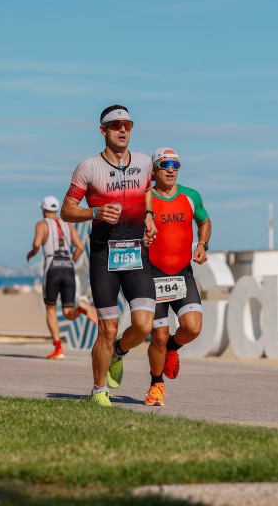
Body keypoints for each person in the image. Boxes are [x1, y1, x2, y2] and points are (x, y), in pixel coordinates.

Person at [61, 104, 157, 406]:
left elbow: (147, 190)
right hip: (104, 254)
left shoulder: (143, 162)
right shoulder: (88, 167)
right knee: (107, 327)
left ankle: (118, 352)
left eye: (127, 124)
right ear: (103, 130)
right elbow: (66, 211)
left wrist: (149, 216)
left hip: (137, 253)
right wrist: (94, 212)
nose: (122, 129)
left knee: (143, 325)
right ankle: (99, 390)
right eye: (115, 125)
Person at [144, 148, 211, 406]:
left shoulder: (190, 196)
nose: (171, 170)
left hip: (182, 273)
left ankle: (173, 347)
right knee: (158, 336)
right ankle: (156, 385)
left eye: (175, 165)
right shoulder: (145, 198)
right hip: (152, 274)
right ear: (154, 170)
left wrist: (202, 244)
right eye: (165, 165)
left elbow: (204, 221)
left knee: (193, 328)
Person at [27, 195, 97, 360]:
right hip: (68, 268)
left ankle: (58, 349)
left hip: (52, 268)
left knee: (51, 309)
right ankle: (81, 309)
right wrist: (71, 261)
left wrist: (32, 253)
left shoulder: (42, 224)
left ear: (43, 209)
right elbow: (80, 247)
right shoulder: (68, 224)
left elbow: (37, 244)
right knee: (67, 311)